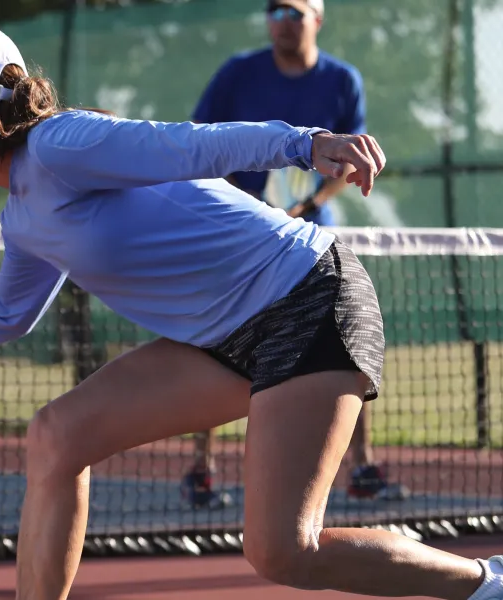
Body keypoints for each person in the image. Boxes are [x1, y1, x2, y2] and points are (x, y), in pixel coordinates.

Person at [0, 24, 503, 600]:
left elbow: (187, 146)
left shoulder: (62, 143)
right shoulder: (23, 218)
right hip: (221, 338)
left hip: (308, 297)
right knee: (58, 435)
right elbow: (7, 315)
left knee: (284, 552)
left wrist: (304, 142)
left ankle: (485, 582)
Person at [182, 0, 406, 509]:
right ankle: (201, 468)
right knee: (211, 340)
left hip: (310, 247)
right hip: (240, 235)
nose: (282, 21)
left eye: (294, 12)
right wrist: (242, 206)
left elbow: (350, 162)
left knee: (345, 346)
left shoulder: (343, 80)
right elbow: (200, 142)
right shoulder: (238, 73)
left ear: (317, 19)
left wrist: (306, 203)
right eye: (274, 11)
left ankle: (361, 466)